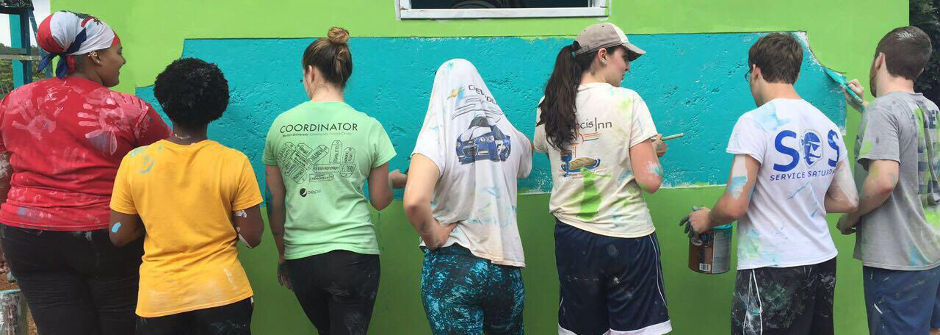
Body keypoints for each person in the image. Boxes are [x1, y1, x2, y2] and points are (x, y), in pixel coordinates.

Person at [0, 11, 170, 335]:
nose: (121, 61)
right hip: (106, 238)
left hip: (26, 236)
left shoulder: (13, 102)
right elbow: (168, 166)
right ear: (94, 55)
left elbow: (1, 171)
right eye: (117, 52)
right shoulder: (129, 110)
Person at [684, 33, 858, 334]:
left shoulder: (754, 123)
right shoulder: (826, 125)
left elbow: (735, 203)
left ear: (755, 70)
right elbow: (848, 200)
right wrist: (792, 197)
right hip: (822, 262)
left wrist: (707, 219)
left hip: (771, 268)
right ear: (796, 72)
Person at [108, 57, 263, 334]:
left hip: (159, 300)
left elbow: (119, 234)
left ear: (164, 101)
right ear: (218, 106)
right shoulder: (233, 162)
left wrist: (157, 221)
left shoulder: (135, 162)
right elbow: (252, 237)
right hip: (223, 294)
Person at [533, 23, 669, 335]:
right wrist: (653, 150)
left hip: (573, 239)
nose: (629, 66)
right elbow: (650, 180)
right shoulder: (628, 101)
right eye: (625, 57)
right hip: (628, 240)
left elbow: (543, 147)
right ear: (603, 56)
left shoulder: (548, 104)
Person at [263, 27, 400, 335]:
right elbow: (380, 199)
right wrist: (390, 181)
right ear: (344, 75)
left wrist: (282, 254)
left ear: (310, 72)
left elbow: (275, 200)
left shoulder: (280, 126)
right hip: (354, 258)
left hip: (301, 259)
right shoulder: (369, 127)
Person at [402, 58, 532, 335]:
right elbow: (526, 159)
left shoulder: (438, 135)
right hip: (506, 270)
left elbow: (414, 200)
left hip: (454, 266)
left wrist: (433, 236)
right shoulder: (509, 135)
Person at [837, 26, 940, 335]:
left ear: (879, 60)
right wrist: (864, 105)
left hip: (897, 262)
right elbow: (906, 139)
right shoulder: (930, 109)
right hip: (931, 253)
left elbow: (884, 181)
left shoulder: (883, 111)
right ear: (920, 68)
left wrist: (850, 217)